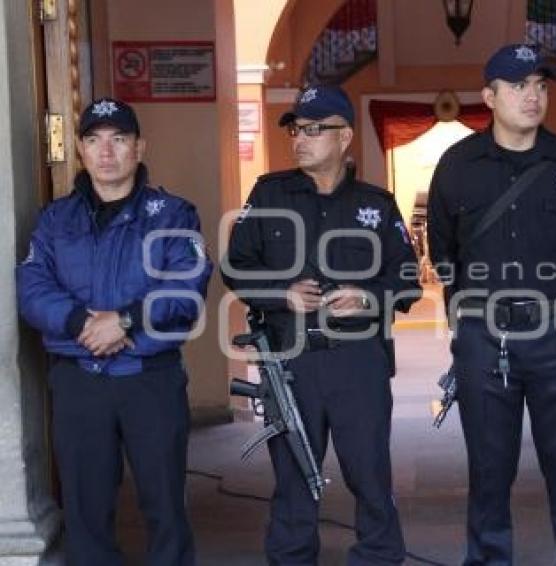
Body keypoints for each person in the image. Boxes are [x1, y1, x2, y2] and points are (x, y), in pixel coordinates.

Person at [427, 44, 556, 565]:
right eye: (518, 86)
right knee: (488, 474)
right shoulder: (458, 166)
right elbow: (443, 251)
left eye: (539, 85)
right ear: (489, 97)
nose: (532, 96)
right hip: (485, 343)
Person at [222, 84, 420, 565]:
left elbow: (408, 278)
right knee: (293, 480)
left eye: (315, 129)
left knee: (370, 475)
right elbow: (234, 265)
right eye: (296, 129)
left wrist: (369, 297)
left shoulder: (376, 203)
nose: (300, 139)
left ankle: (378, 557)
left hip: (358, 364)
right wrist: (281, 293)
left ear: (345, 137)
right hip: (290, 363)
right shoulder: (269, 193)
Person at [16, 97, 212, 566]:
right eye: (94, 140)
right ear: (80, 149)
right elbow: (31, 286)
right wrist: (82, 323)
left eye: (119, 139)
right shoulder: (54, 220)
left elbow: (187, 283)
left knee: (165, 505)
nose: (107, 152)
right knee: (85, 511)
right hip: (79, 380)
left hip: (150, 378)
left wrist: (124, 320)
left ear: (139, 147)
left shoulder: (173, 214)